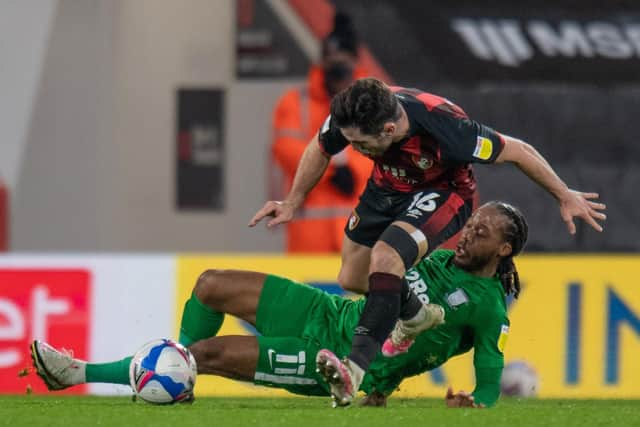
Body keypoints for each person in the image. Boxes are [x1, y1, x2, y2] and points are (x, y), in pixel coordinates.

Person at [249, 78, 607, 405]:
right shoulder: (358, 114)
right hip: (387, 187)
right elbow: (319, 146)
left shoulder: (449, 130)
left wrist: (563, 194)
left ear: (389, 128)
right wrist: (292, 201)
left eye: (359, 143)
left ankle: (353, 371)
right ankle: (417, 313)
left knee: (386, 258)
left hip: (442, 192)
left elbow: (517, 150)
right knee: (352, 278)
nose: (352, 149)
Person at [33, 202, 527, 408]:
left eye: (483, 232)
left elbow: (490, 368)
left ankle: (81, 373)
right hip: (328, 313)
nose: (469, 233)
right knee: (209, 284)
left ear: (504, 251)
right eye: (470, 224)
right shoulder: (440, 258)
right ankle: (172, 380)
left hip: (339, 364)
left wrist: (478, 402)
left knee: (206, 355)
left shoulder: (487, 307)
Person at [271, 12, 372, 253]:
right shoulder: (295, 102)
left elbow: (384, 151)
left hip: (358, 236)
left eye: (343, 66)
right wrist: (331, 170)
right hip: (310, 239)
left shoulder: (372, 101)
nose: (338, 75)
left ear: (354, 64)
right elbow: (286, 151)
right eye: (333, 66)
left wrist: (353, 171)